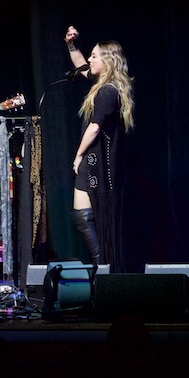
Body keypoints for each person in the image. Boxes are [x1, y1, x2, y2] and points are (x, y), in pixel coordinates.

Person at [63, 25, 135, 273]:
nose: (90, 59)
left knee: (88, 217)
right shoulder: (104, 86)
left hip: (97, 163)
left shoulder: (107, 91)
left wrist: (78, 155)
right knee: (82, 216)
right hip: (93, 163)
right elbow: (80, 65)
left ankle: (103, 267)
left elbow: (94, 127)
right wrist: (71, 44)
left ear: (108, 61)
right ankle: (100, 264)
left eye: (94, 56)